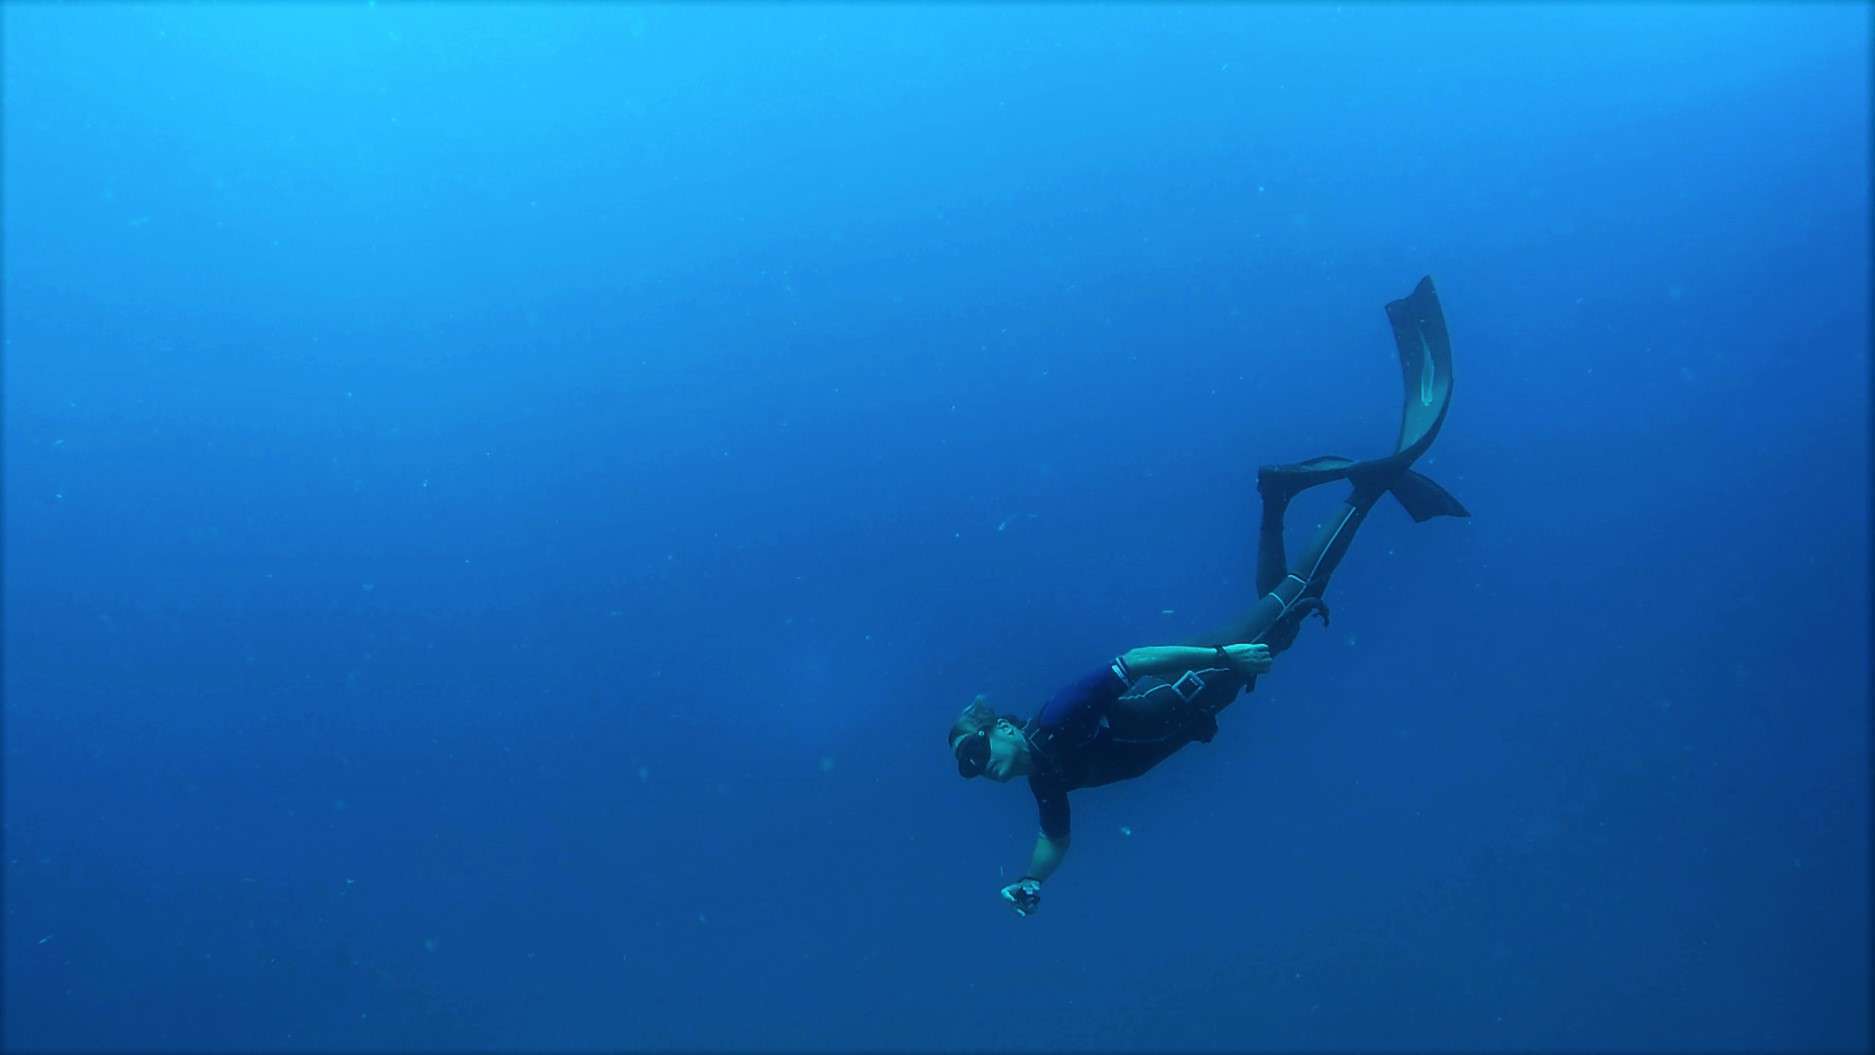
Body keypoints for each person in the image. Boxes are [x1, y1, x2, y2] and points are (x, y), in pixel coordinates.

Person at [949, 276, 1470, 918]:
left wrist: (1224, 658)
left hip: (1199, 677)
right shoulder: (1047, 777)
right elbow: (1054, 839)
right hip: (1206, 686)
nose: (979, 767)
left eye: (976, 751)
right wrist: (1034, 881)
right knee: (1281, 604)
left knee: (1296, 598)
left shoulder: (1057, 719)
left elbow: (1134, 661)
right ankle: (1277, 496)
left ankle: (1363, 490)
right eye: (969, 767)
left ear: (1000, 728)